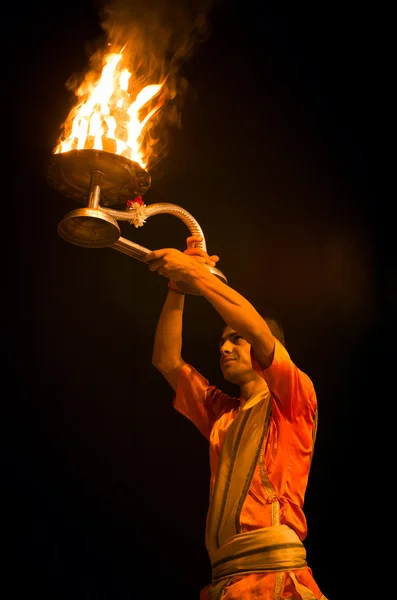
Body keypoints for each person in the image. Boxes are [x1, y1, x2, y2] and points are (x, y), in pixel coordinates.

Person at [145, 235, 328, 600]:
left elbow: (256, 328)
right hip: (226, 581)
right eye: (221, 343)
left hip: (274, 580)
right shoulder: (222, 415)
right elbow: (166, 361)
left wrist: (198, 277)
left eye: (235, 339)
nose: (225, 347)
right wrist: (177, 287)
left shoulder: (292, 398)